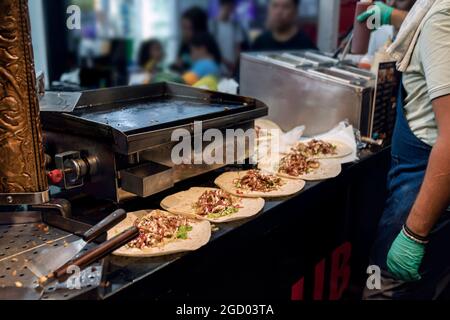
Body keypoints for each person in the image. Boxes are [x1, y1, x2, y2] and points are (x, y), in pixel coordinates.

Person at [358, 0, 450, 300]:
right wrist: (388, 15)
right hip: (420, 177)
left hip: (422, 186)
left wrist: (414, 234)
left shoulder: (441, 18)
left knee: (382, 290)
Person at [251, 0, 316, 52]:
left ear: (295, 11)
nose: (279, 12)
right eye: (275, 5)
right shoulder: (260, 42)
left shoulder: (305, 46)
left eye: (285, 7)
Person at [210, 0, 247, 77]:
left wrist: (235, 66)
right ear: (222, 6)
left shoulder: (235, 26)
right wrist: (226, 63)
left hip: (232, 68)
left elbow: (238, 47)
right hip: (217, 67)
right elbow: (212, 49)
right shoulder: (213, 25)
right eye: (228, 6)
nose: (230, 10)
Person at [173, 7, 209, 73]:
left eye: (188, 28)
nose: (184, 32)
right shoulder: (185, 44)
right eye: (183, 28)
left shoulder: (206, 47)